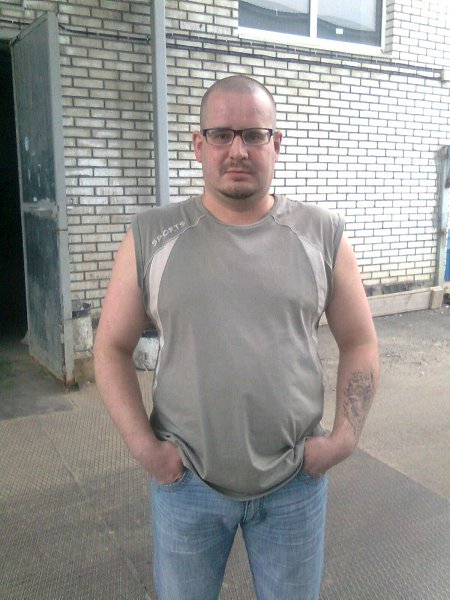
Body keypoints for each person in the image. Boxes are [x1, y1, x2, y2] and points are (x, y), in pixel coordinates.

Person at [94, 75, 379, 600]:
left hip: (295, 483)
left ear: (276, 143)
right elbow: (111, 348)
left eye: (254, 134)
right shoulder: (152, 236)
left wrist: (344, 438)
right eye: (222, 134)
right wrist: (146, 450)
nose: (238, 150)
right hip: (187, 485)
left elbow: (359, 340)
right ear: (198, 145)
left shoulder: (322, 234)